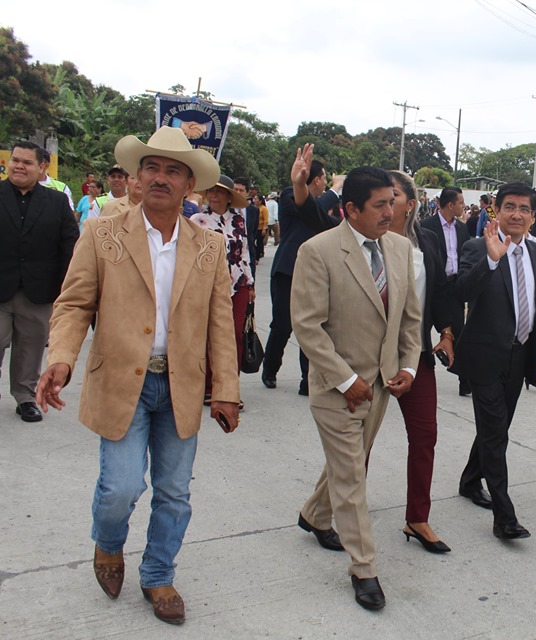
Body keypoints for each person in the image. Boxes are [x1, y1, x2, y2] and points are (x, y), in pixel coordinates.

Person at [35, 126, 239, 625]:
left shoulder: (209, 246)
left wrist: (226, 390)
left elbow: (220, 325)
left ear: (189, 184)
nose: (160, 177)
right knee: (120, 489)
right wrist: (61, 357)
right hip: (122, 380)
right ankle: (108, 544)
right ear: (137, 176)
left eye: (173, 171)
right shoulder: (102, 233)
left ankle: (158, 573)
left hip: (181, 385)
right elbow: (74, 303)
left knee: (175, 492)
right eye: (152, 167)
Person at [292, 162, 421, 611]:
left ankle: (314, 514)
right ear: (350, 209)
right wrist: (346, 381)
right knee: (352, 476)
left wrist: (409, 366)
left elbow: (409, 318)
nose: (390, 212)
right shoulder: (318, 251)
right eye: (380, 205)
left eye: (392, 202)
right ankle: (364, 568)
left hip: (382, 386)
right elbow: (308, 327)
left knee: (345, 465)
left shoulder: (400, 248)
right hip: (337, 388)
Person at [452, 183, 536, 541]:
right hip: (485, 356)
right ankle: (504, 517)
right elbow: (461, 291)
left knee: (497, 427)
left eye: (524, 209)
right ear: (496, 210)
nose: (517, 214)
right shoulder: (478, 247)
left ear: (533, 216)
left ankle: (469, 480)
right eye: (510, 207)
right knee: (496, 434)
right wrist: (491, 261)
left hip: (519, 355)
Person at [386, 170, 456, 553]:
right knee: (358, 440)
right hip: (370, 355)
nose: (385, 202)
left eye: (393, 196)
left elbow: (441, 291)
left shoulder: (426, 241)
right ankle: (334, 512)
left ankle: (417, 518)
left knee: (425, 435)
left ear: (411, 204)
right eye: (380, 195)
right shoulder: (365, 240)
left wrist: (446, 333)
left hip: (415, 353)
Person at [0, 141, 79, 422]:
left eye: (27, 162)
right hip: (1, 287)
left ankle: (25, 397)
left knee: (31, 347)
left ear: (42, 167)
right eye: (15, 160)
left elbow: (70, 245)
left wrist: (65, 287)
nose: (19, 166)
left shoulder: (57, 202)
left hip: (39, 290)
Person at [261, 147, 341, 394]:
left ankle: (308, 380)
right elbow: (308, 207)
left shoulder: (325, 209)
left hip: (314, 273)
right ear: (315, 180)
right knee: (282, 325)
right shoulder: (288, 195)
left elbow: (330, 223)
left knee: (313, 327)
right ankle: (270, 369)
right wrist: (336, 190)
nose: (326, 183)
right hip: (287, 271)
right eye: (325, 178)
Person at [192, 175, 256, 407]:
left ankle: (229, 389)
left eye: (219, 191)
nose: (214, 195)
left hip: (238, 284)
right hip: (208, 285)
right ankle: (209, 387)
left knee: (236, 335)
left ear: (229, 197)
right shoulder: (197, 220)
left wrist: (250, 283)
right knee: (210, 335)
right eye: (211, 191)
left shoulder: (238, 220)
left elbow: (245, 252)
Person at [421, 186, 471, 396]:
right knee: (422, 330)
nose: (463, 206)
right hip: (432, 287)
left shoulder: (462, 229)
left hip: (454, 286)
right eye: (461, 203)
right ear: (450, 205)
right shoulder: (426, 226)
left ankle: (465, 381)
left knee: (460, 333)